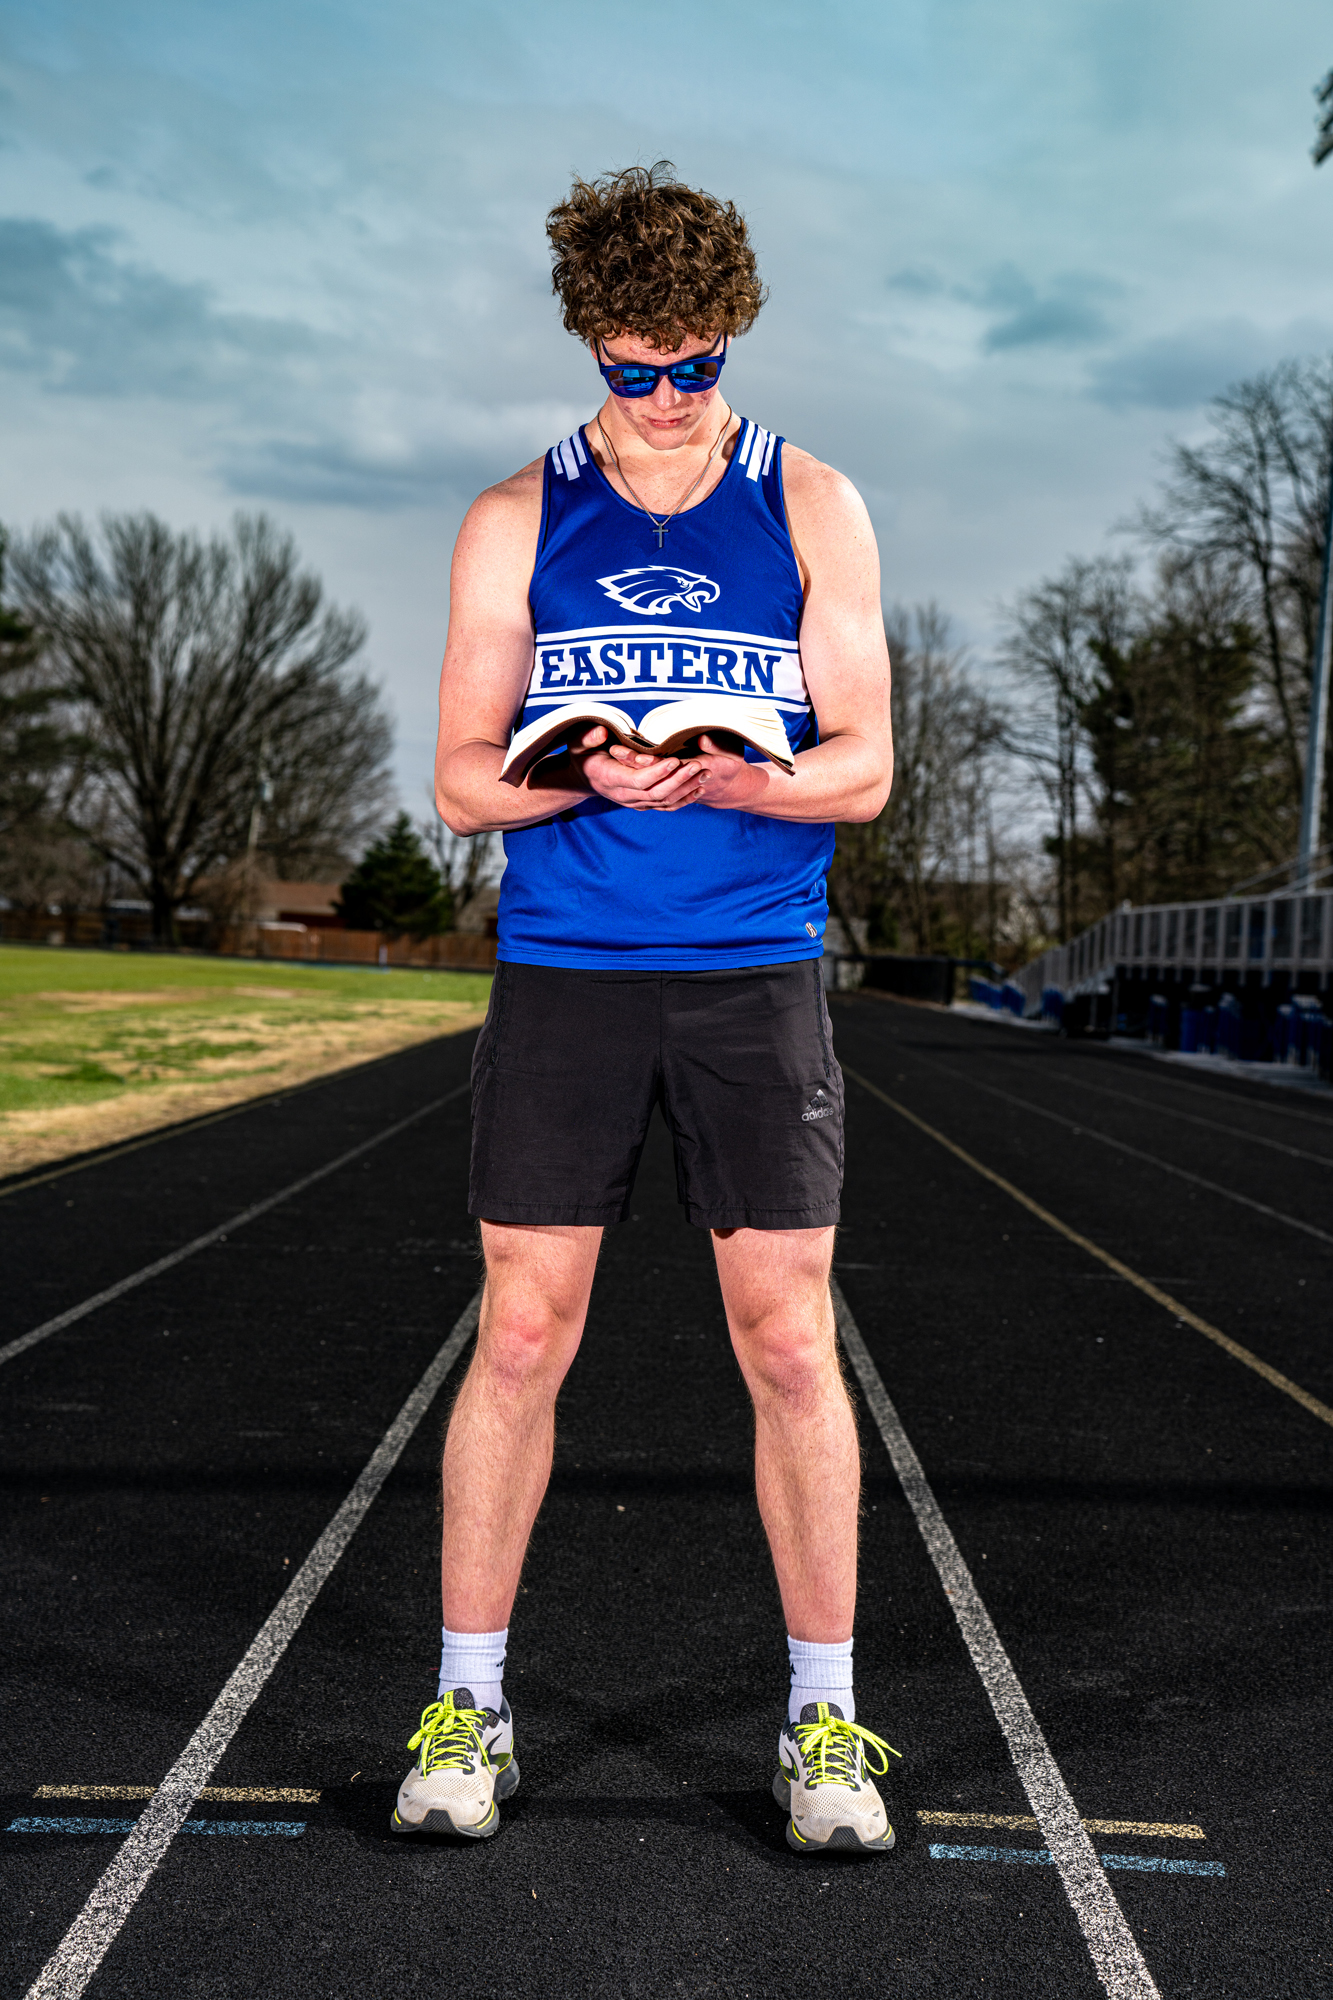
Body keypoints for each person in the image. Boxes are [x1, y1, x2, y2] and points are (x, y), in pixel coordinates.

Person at [393, 162, 896, 1855]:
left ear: (732, 334)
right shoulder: (513, 518)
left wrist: (747, 778)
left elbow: (865, 766)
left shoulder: (811, 501)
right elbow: (461, 780)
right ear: (588, 346)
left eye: (695, 364)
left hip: (754, 972)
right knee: (522, 1333)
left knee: (788, 1340)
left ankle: (822, 1723)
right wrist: (582, 777)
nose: (667, 397)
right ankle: (468, 1706)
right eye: (634, 368)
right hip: (567, 975)